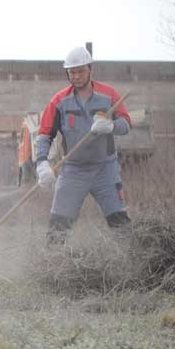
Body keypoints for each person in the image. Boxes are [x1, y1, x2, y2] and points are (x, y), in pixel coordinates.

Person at [35, 46, 133, 244]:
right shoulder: (59, 101)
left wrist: (111, 126)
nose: (77, 76)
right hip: (73, 170)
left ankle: (134, 263)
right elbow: (44, 135)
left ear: (90, 69)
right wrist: (42, 163)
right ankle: (53, 266)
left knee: (120, 223)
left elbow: (127, 124)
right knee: (58, 226)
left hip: (105, 169)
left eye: (81, 71)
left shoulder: (110, 95)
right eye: (72, 72)